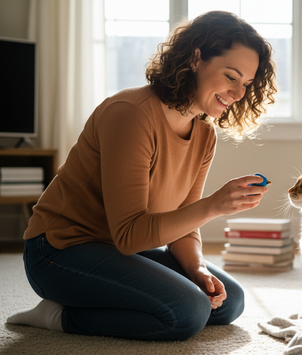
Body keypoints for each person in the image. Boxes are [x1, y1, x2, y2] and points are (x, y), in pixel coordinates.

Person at [6, 11, 277, 341]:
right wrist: (215, 206)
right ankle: (59, 315)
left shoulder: (204, 134)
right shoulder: (131, 114)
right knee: (188, 312)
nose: (238, 94)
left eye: (246, 84)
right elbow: (130, 234)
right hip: (59, 251)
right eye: (231, 77)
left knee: (227, 302)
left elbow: (183, 226)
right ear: (196, 58)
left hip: (118, 252)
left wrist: (198, 269)